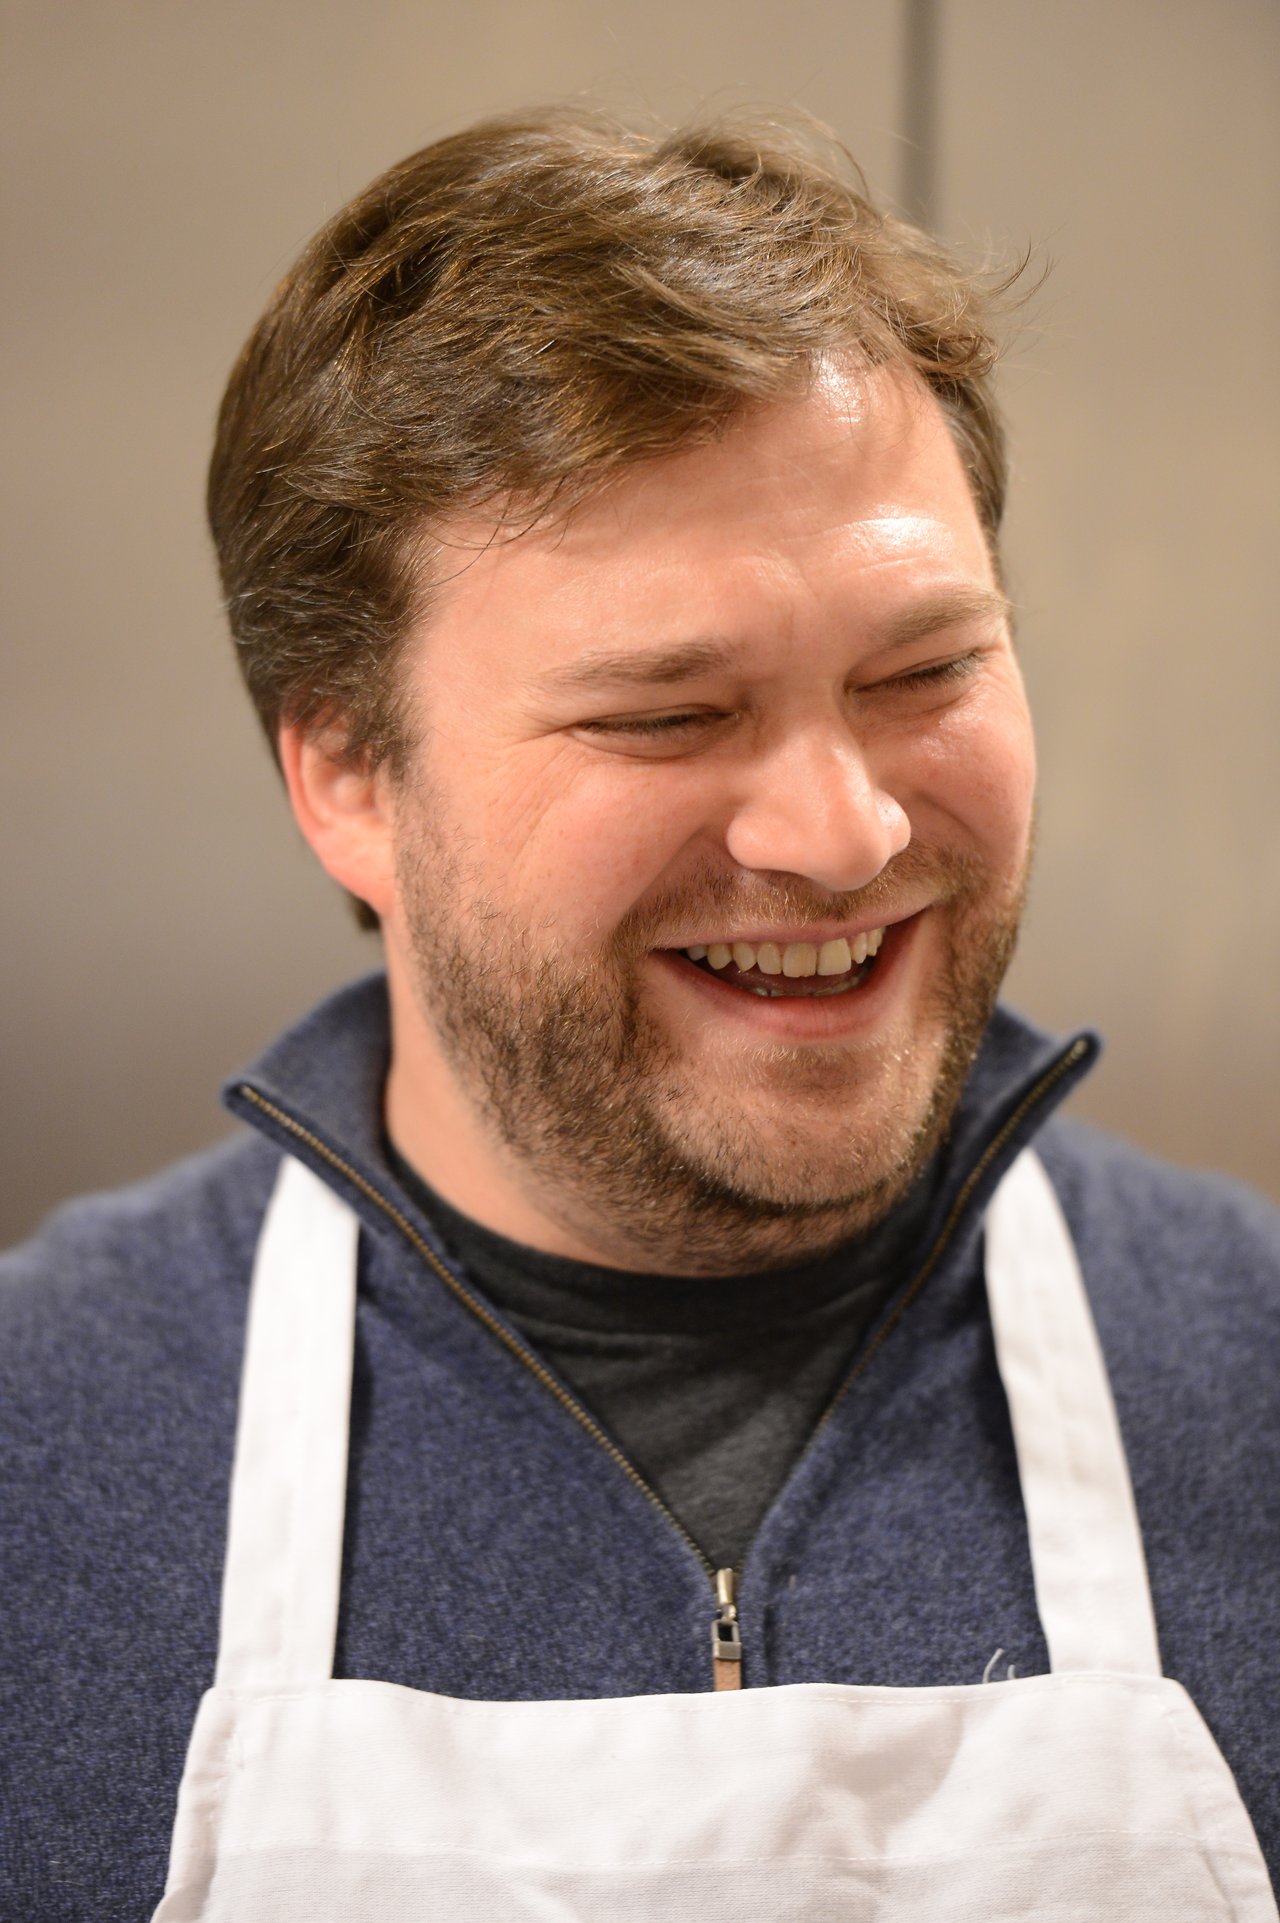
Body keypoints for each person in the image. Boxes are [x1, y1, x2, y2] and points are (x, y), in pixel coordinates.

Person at [2, 107, 1277, 1922]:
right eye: (668, 716)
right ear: (349, 775)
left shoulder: (1255, 1379)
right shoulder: (42, 1459)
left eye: (925, 669)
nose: (846, 835)